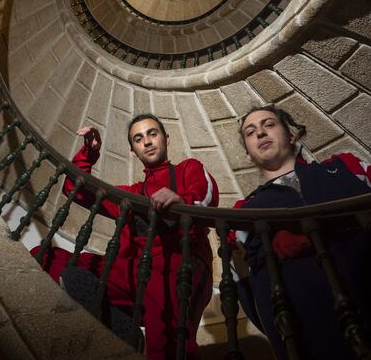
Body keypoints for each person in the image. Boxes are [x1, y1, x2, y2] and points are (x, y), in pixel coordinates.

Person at [35, 113, 219, 360]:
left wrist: (182, 202)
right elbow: (77, 191)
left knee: (166, 347)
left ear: (166, 138)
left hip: (176, 264)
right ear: (133, 151)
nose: (147, 142)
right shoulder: (132, 193)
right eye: (138, 138)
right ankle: (119, 327)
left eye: (153, 134)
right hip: (131, 272)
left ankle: (141, 334)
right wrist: (89, 152)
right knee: (45, 257)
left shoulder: (189, 168)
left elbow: (206, 199)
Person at [231, 104, 371, 360]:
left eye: (269, 125)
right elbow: (250, 292)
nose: (260, 133)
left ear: (292, 135)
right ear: (248, 154)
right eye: (250, 132)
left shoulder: (346, 167)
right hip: (309, 329)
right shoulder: (244, 212)